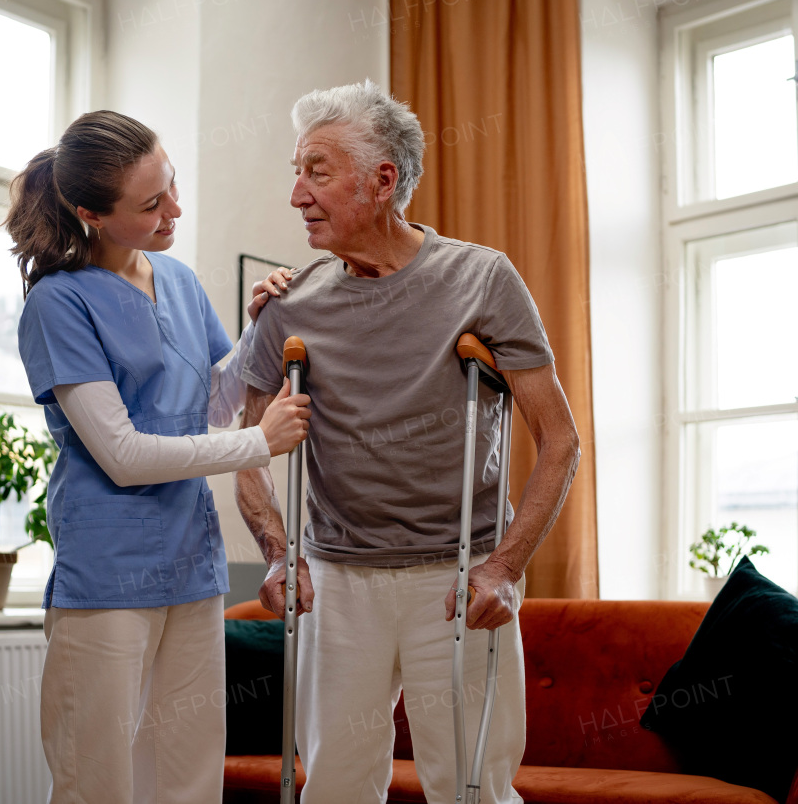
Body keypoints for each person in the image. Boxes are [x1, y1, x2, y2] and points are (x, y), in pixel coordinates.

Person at [235, 81, 581, 804]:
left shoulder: (482, 278)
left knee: (474, 788)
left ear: (383, 179)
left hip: (455, 580)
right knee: (333, 787)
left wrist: (505, 569)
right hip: (337, 584)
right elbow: (248, 454)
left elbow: (559, 440)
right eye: (295, 172)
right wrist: (277, 553)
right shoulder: (289, 302)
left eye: (317, 171)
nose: (296, 193)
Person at [9, 110, 311, 804]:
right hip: (108, 577)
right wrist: (258, 444)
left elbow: (208, 401)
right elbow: (121, 453)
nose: (175, 209)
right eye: (151, 205)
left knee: (190, 771)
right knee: (100, 780)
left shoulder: (175, 279)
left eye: (170, 186)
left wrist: (255, 329)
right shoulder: (58, 304)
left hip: (191, 566)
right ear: (90, 212)